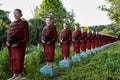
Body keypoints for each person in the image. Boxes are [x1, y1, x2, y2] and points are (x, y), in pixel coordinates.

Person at [6, 9, 29, 80]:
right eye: (14, 13)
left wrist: (18, 43)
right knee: (13, 59)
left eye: (16, 13)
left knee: (19, 59)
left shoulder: (24, 23)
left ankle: (19, 75)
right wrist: (7, 41)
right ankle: (14, 75)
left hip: (19, 46)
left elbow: (26, 37)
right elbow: (8, 35)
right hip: (11, 46)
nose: (15, 15)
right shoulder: (11, 24)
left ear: (21, 15)